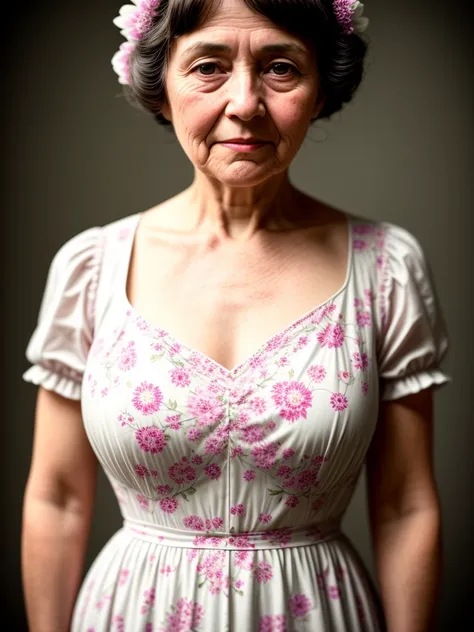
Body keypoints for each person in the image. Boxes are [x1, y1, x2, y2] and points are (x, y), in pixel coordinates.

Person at [21, 0, 450, 630]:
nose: (246, 103)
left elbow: (404, 504)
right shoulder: (93, 267)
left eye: (280, 68)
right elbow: (55, 500)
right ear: (159, 87)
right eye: (208, 67)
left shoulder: (385, 267)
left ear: (319, 89)